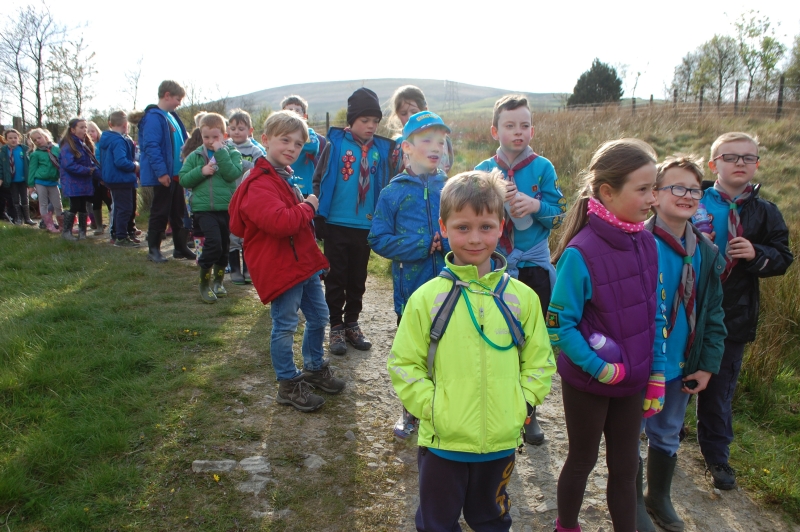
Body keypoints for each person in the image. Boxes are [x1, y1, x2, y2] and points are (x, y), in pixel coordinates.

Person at [387, 170, 555, 532]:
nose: (475, 238)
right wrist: (432, 407)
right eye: (463, 227)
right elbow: (403, 363)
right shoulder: (427, 298)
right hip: (442, 444)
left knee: (491, 520)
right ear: (443, 228)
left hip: (500, 445)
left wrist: (521, 404)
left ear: (501, 226)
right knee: (436, 523)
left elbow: (540, 361)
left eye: (485, 226)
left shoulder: (522, 298)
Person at [547, 139, 665, 532]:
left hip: (634, 380)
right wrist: (598, 367)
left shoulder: (647, 242)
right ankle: (567, 526)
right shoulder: (580, 252)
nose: (653, 199)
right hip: (588, 381)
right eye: (644, 189)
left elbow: (654, 314)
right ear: (607, 192)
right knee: (582, 459)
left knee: (627, 464)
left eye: (655, 188)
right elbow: (559, 325)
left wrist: (657, 373)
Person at [229, 110, 345, 411]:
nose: (292, 149)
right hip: (280, 267)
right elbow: (280, 224)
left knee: (320, 317)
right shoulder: (258, 183)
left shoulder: (282, 177)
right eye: (285, 140)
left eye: (297, 144)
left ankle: (314, 368)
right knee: (285, 325)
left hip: (300, 265)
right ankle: (288, 384)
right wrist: (308, 206)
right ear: (265, 140)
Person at [696, 132, 793, 490]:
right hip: (686, 305)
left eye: (748, 158)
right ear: (713, 164)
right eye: (731, 157)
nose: (740, 163)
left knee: (720, 388)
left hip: (734, 314)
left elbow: (783, 257)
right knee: (675, 373)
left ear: (757, 165)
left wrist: (757, 255)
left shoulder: (765, 212)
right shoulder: (693, 198)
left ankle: (716, 455)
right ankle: (665, 437)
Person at [636, 155, 727, 532]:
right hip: (640, 362)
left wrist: (706, 364)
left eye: (694, 189)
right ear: (654, 195)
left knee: (669, 429)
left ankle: (658, 496)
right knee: (631, 432)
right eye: (676, 187)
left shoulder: (706, 251)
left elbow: (714, 313)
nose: (687, 195)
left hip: (681, 363)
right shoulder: (636, 241)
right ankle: (630, 500)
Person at [476, 94, 568, 446]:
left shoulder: (543, 167)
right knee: (496, 336)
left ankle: (529, 413)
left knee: (531, 340)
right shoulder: (485, 169)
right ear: (494, 130)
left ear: (533, 128)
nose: (518, 132)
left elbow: (558, 212)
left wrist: (535, 204)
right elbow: (474, 215)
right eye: (510, 125)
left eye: (525, 125)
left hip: (533, 266)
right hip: (496, 266)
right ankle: (496, 406)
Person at [368, 111, 451, 441]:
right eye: (427, 140)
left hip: (452, 289)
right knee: (414, 354)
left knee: (448, 352)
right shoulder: (393, 193)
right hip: (411, 293)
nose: (436, 148)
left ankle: (445, 410)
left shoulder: (452, 188)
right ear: (407, 148)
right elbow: (377, 238)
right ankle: (411, 411)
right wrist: (420, 244)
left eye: (441, 142)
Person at [312, 88, 396, 355]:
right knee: (336, 277)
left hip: (365, 226)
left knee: (358, 279)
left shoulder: (381, 151)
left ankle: (352, 324)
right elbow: (319, 178)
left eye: (375, 121)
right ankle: (335, 326)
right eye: (365, 121)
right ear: (351, 121)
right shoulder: (334, 144)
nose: (371, 126)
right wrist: (319, 214)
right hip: (336, 222)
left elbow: (388, 184)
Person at [179, 113, 242, 303]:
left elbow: (232, 174)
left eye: (215, 137)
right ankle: (204, 283)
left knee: (223, 246)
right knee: (213, 243)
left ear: (224, 135)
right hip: (203, 209)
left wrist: (221, 153)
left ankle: (218, 282)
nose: (210, 141)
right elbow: (183, 179)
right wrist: (202, 171)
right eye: (206, 137)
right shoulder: (195, 156)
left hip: (226, 208)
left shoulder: (232, 153)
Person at [138, 80, 194, 263]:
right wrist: (161, 172)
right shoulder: (154, 117)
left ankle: (180, 247)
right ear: (167, 95)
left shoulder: (172, 116)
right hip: (165, 175)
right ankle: (154, 249)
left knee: (178, 212)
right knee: (160, 211)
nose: (179, 103)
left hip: (178, 174)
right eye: (177, 99)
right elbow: (151, 146)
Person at [226, 108, 266, 285]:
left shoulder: (255, 150)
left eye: (241, 128)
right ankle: (234, 269)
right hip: (228, 196)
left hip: (248, 198)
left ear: (250, 131)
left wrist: (239, 162)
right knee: (233, 235)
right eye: (233, 128)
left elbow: (260, 168)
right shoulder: (224, 147)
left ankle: (249, 270)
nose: (236, 132)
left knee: (247, 235)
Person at [387, 85, 454, 175]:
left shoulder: (441, 141)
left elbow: (441, 174)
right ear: (397, 115)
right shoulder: (396, 144)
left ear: (425, 110)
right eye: (403, 113)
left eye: (414, 112)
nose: (409, 117)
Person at [97, 111, 140, 247]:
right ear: (125, 124)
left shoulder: (107, 139)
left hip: (112, 178)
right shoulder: (118, 141)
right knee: (125, 208)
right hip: (121, 179)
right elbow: (121, 161)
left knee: (119, 207)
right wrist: (135, 166)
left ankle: (116, 234)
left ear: (110, 123)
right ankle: (121, 237)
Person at [59, 118, 100, 241]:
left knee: (83, 205)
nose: (84, 130)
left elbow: (89, 161)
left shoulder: (83, 145)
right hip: (73, 181)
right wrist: (87, 170)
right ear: (73, 130)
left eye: (85, 127)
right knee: (75, 205)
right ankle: (66, 232)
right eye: (81, 127)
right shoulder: (68, 145)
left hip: (83, 181)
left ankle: (82, 233)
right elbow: (69, 165)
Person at [280, 95, 326, 198]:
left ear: (305, 116)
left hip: (304, 186)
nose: (293, 113)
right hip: (283, 182)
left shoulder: (308, 133)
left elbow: (314, 147)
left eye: (297, 110)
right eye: (290, 110)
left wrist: (291, 140)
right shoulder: (278, 133)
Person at [27, 128, 63, 233]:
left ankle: (62, 225)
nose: (38, 141)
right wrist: (30, 185)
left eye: (39, 138)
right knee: (43, 204)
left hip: (53, 181)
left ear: (45, 136)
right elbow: (32, 170)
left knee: (58, 204)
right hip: (40, 181)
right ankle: (49, 225)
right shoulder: (35, 154)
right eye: (35, 140)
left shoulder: (56, 149)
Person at [0, 129, 34, 226]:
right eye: (10, 138)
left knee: (24, 198)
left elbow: (30, 159)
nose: (13, 140)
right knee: (15, 199)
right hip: (11, 180)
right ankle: (18, 218)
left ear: (19, 138)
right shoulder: (3, 151)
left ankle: (27, 218)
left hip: (23, 179)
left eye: (15, 137)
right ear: (6, 139)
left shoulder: (24, 149)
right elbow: (1, 167)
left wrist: (31, 145)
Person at [86, 120, 112, 235]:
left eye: (92, 131)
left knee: (109, 200)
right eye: (88, 132)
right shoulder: (85, 147)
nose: (90, 133)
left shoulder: (102, 144)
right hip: (92, 179)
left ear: (97, 131)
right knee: (96, 202)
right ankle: (99, 226)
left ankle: (113, 224)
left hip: (105, 177)